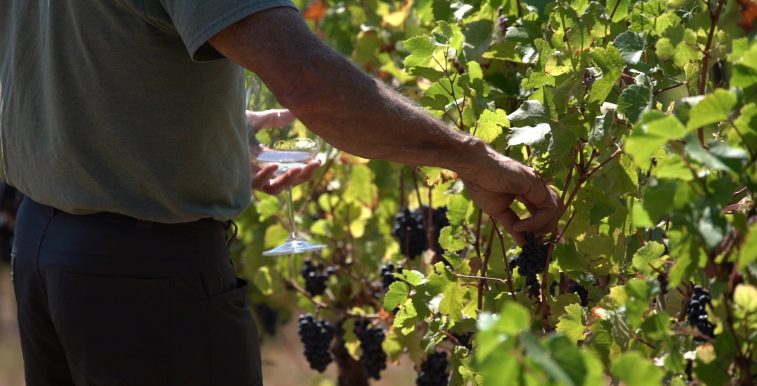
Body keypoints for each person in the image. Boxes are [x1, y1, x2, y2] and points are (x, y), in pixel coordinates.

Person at [0, 1, 560, 386]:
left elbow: (73, 69)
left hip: (43, 246)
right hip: (143, 284)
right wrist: (472, 156)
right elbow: (313, 84)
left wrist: (212, 135)